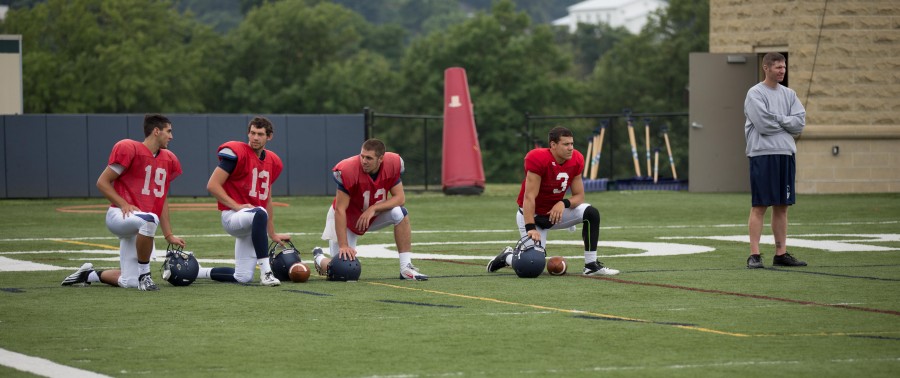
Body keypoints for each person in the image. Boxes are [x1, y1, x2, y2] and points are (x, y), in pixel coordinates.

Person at [61, 114, 184, 291]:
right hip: (120, 215)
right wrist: (123, 204)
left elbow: (161, 199)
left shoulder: (168, 158)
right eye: (168, 131)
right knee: (149, 219)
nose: (171, 136)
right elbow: (102, 182)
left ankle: (88, 275)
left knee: (129, 282)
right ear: (156, 131)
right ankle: (145, 276)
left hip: (141, 222)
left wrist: (168, 234)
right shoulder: (129, 148)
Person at [487, 126, 618, 276]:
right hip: (533, 216)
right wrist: (530, 227)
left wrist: (564, 203)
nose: (570, 148)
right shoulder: (538, 159)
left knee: (591, 213)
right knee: (532, 265)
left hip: (555, 214)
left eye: (572, 144)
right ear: (553, 145)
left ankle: (591, 265)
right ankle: (507, 257)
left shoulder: (576, 159)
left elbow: (579, 196)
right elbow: (529, 197)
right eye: (566, 144)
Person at [312, 138, 429, 281]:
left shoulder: (392, 164)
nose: (364, 161)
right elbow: (340, 210)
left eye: (369, 158)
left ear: (381, 159)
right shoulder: (348, 169)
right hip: (347, 219)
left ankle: (406, 268)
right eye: (362, 156)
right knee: (341, 271)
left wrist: (373, 209)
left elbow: (400, 198)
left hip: (371, 216)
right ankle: (319, 257)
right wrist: (343, 245)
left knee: (400, 213)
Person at [200, 116, 288, 286]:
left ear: (269, 137)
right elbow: (212, 185)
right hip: (233, 216)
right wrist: (237, 206)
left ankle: (198, 271)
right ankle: (266, 272)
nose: (255, 137)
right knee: (259, 212)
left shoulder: (273, 161)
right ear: (248, 133)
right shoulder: (236, 153)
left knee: (243, 277)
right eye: (252, 133)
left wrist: (272, 233)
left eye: (260, 134)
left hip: (253, 221)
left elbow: (266, 199)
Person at [744, 52, 807, 269]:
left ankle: (780, 253)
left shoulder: (790, 94)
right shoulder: (755, 93)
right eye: (778, 67)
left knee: (782, 206)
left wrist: (778, 118)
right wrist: (785, 122)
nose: (782, 71)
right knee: (760, 205)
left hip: (785, 154)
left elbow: (799, 124)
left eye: (784, 67)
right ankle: (754, 255)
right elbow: (763, 124)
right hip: (762, 154)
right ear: (766, 68)